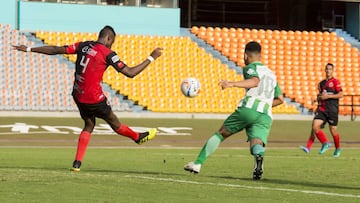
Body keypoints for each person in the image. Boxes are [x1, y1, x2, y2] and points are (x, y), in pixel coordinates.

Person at [13, 25, 163, 171]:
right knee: (114, 122)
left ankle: (77, 163)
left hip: (78, 95)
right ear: (109, 38)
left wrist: (28, 48)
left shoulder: (83, 46)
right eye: (112, 42)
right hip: (94, 99)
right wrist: (152, 57)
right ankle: (137, 137)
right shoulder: (108, 53)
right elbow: (130, 72)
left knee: (89, 125)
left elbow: (55, 49)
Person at [184, 41, 284, 180]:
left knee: (221, 133)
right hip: (265, 114)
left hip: (249, 108)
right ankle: (258, 159)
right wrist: (265, 103)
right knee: (257, 141)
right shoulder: (272, 74)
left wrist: (231, 84)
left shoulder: (250, 67)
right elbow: (280, 99)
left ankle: (197, 163)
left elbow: (255, 81)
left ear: (245, 55)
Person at [300, 63, 343, 157]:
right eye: (327, 69)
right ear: (325, 70)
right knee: (315, 126)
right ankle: (325, 143)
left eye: (330, 69)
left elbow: (340, 95)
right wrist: (317, 99)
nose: (328, 71)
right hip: (323, 109)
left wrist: (328, 96)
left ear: (333, 70)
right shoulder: (321, 83)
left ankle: (337, 148)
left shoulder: (335, 82)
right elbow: (321, 96)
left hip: (332, 110)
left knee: (333, 130)